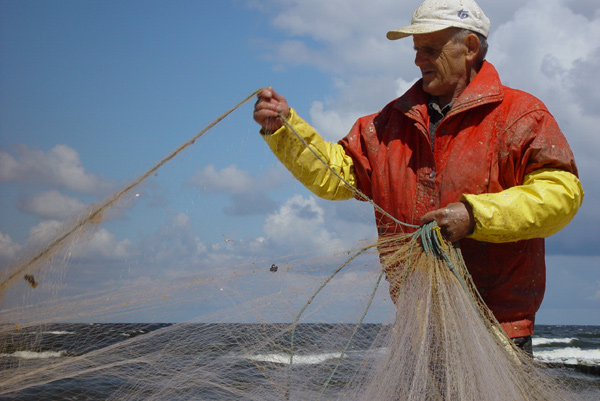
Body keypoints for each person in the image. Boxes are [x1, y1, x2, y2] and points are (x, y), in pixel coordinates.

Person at [253, 0, 583, 353]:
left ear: (469, 48)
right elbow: (337, 177)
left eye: (429, 48)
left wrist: (475, 216)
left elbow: (561, 192)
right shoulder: (385, 125)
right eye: (415, 49)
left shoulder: (521, 116)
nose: (417, 59)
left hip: (498, 333)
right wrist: (285, 129)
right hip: (417, 330)